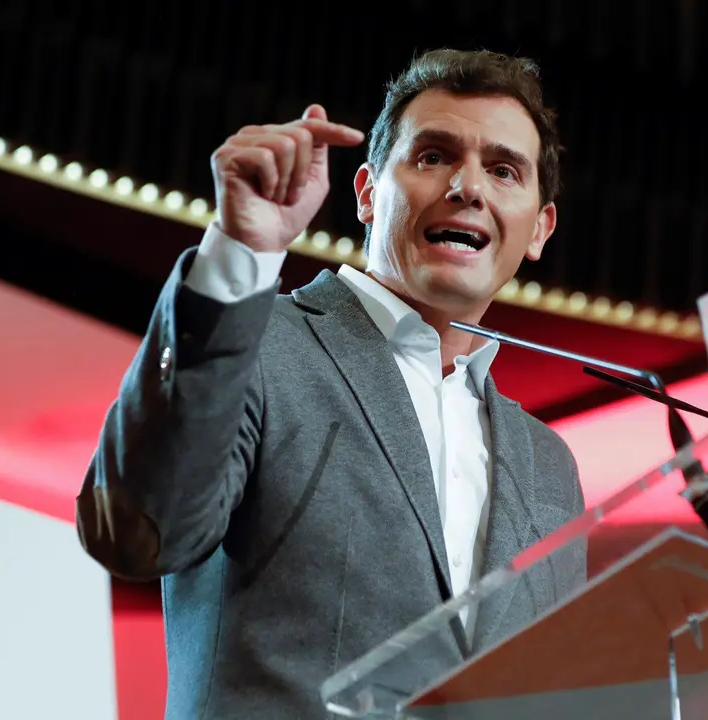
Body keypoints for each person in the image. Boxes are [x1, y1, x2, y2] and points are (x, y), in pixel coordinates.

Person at [76, 48, 586, 719]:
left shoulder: (549, 468)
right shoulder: (256, 343)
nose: (468, 187)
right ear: (369, 194)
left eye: (502, 169)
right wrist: (239, 254)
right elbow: (134, 532)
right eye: (433, 156)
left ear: (539, 229)